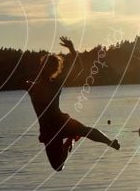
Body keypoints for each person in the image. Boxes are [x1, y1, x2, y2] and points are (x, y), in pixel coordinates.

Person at [27, 36, 119, 171]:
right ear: (42, 67)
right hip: (50, 129)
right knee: (58, 166)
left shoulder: (53, 84)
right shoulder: (33, 86)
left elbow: (79, 69)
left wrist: (72, 49)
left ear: (52, 70)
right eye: (45, 66)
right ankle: (71, 140)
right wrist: (71, 49)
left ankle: (110, 142)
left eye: (49, 66)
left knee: (85, 131)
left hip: (58, 123)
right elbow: (79, 68)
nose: (46, 69)